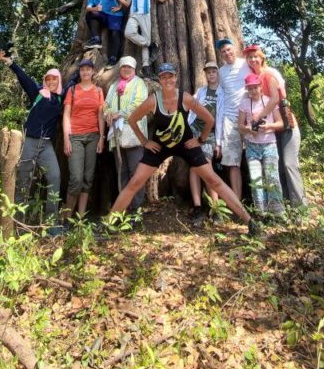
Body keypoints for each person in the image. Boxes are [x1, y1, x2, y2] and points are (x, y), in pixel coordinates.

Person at [106, 63, 253, 229]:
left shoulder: (185, 98)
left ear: (176, 78)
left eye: (170, 76)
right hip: (159, 147)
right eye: (163, 77)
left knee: (214, 180)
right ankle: (108, 223)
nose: (167, 79)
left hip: (186, 145)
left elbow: (209, 119)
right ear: (160, 80)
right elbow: (132, 119)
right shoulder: (153, 99)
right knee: (134, 183)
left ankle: (249, 221)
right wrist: (145, 142)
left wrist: (200, 140)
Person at [0, 50, 64, 236]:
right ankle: (17, 225)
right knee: (23, 181)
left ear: (59, 81)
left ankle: (52, 225)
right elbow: (23, 77)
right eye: (48, 79)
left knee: (55, 178)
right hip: (29, 142)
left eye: (54, 79)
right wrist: (9, 62)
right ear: (45, 80)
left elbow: (75, 83)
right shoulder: (37, 93)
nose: (51, 82)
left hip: (47, 145)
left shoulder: (60, 99)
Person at [244, 44, 307, 209]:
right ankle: (284, 206)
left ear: (262, 57)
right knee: (276, 169)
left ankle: (300, 209)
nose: (253, 60)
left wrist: (259, 117)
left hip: (286, 126)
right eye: (250, 57)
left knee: (289, 164)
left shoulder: (269, 75)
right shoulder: (253, 79)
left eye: (255, 56)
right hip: (272, 130)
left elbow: (274, 99)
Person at [103, 55, 149, 213]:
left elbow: (140, 104)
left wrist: (120, 113)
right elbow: (106, 104)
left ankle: (136, 209)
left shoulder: (139, 83)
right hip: (117, 135)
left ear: (134, 69)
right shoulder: (114, 85)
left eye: (129, 67)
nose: (126, 69)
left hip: (134, 134)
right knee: (121, 170)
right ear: (120, 69)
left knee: (135, 172)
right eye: (123, 67)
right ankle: (123, 208)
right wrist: (108, 114)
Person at [62, 58, 105, 220]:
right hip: (76, 137)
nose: (85, 72)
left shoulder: (99, 91)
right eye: (82, 69)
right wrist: (67, 139)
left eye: (88, 69)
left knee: (88, 179)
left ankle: (79, 219)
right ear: (79, 72)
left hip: (93, 137)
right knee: (76, 179)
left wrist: (101, 138)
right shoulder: (73, 90)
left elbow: (100, 116)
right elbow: (66, 116)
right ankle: (65, 218)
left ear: (93, 71)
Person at [238, 73, 285, 218]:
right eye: (250, 88)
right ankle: (261, 213)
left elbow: (281, 123)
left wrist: (268, 126)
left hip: (269, 144)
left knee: (272, 177)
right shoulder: (244, 104)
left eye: (255, 87)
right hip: (252, 146)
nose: (253, 91)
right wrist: (248, 129)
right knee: (256, 179)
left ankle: (277, 213)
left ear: (260, 87)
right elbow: (240, 126)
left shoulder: (269, 102)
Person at [117, 0, 177, 78]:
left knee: (144, 40)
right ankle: (150, 44)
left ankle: (145, 67)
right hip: (134, 14)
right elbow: (127, 4)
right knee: (128, 33)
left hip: (145, 15)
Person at [187, 61, 225, 227]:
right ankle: (197, 207)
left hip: (209, 134)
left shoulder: (222, 93)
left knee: (207, 167)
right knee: (194, 167)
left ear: (218, 74)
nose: (211, 75)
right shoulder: (201, 92)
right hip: (194, 132)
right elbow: (190, 106)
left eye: (213, 72)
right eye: (208, 72)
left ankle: (215, 208)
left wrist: (219, 143)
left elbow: (222, 118)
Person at [215, 37, 248, 202]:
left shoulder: (246, 64)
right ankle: (237, 202)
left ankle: (262, 202)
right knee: (233, 162)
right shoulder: (221, 72)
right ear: (220, 55)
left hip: (248, 118)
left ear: (235, 48)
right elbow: (220, 96)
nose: (227, 53)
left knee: (255, 158)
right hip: (229, 120)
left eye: (229, 49)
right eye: (223, 52)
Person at [84, 0, 126, 64]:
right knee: (89, 15)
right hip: (104, 16)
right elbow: (88, 8)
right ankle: (96, 39)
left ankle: (113, 58)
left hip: (115, 15)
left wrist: (119, 6)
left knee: (115, 34)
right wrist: (94, 8)